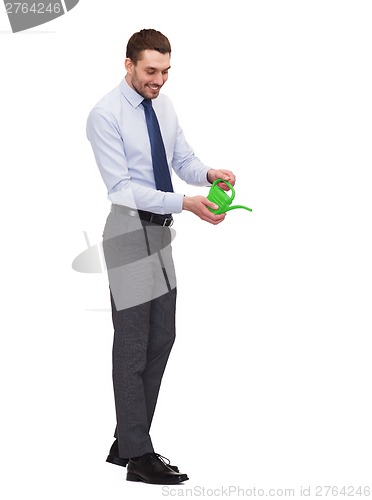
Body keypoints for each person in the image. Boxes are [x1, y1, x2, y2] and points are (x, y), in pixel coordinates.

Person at [86, 28, 236, 485]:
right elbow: (123, 189)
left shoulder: (163, 106)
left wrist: (206, 172)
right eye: (151, 71)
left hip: (161, 235)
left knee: (162, 338)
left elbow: (182, 159)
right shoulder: (104, 115)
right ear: (128, 64)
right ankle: (138, 454)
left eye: (166, 71)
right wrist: (187, 204)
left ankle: (126, 439)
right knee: (132, 345)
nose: (160, 80)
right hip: (129, 232)